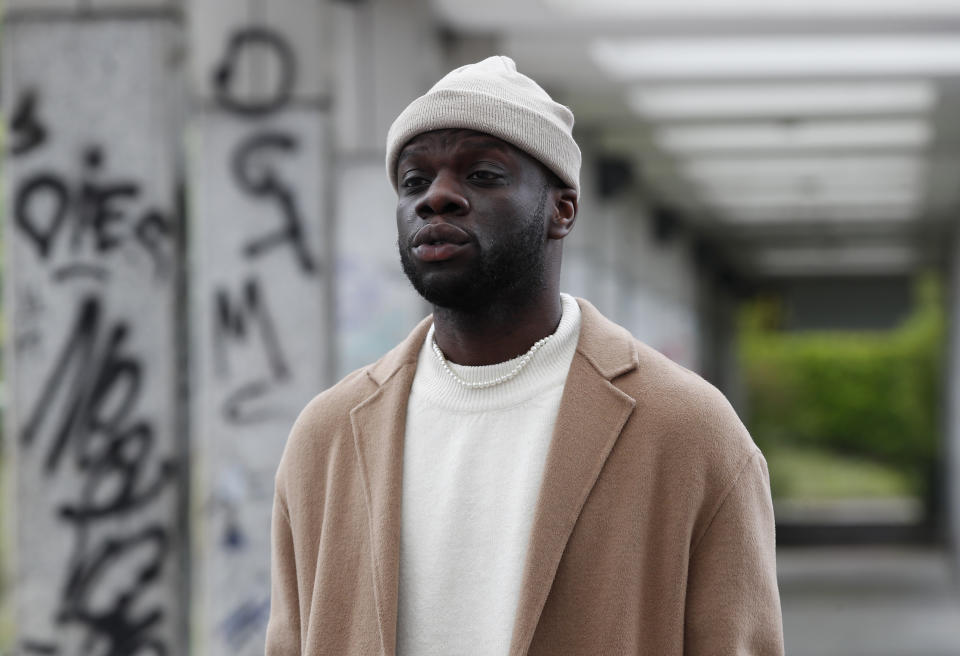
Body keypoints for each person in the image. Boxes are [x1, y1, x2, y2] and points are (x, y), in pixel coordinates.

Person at [265, 56, 784, 655]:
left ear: (561, 210)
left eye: (482, 175)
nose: (437, 198)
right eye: (414, 181)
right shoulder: (327, 436)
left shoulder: (687, 430)